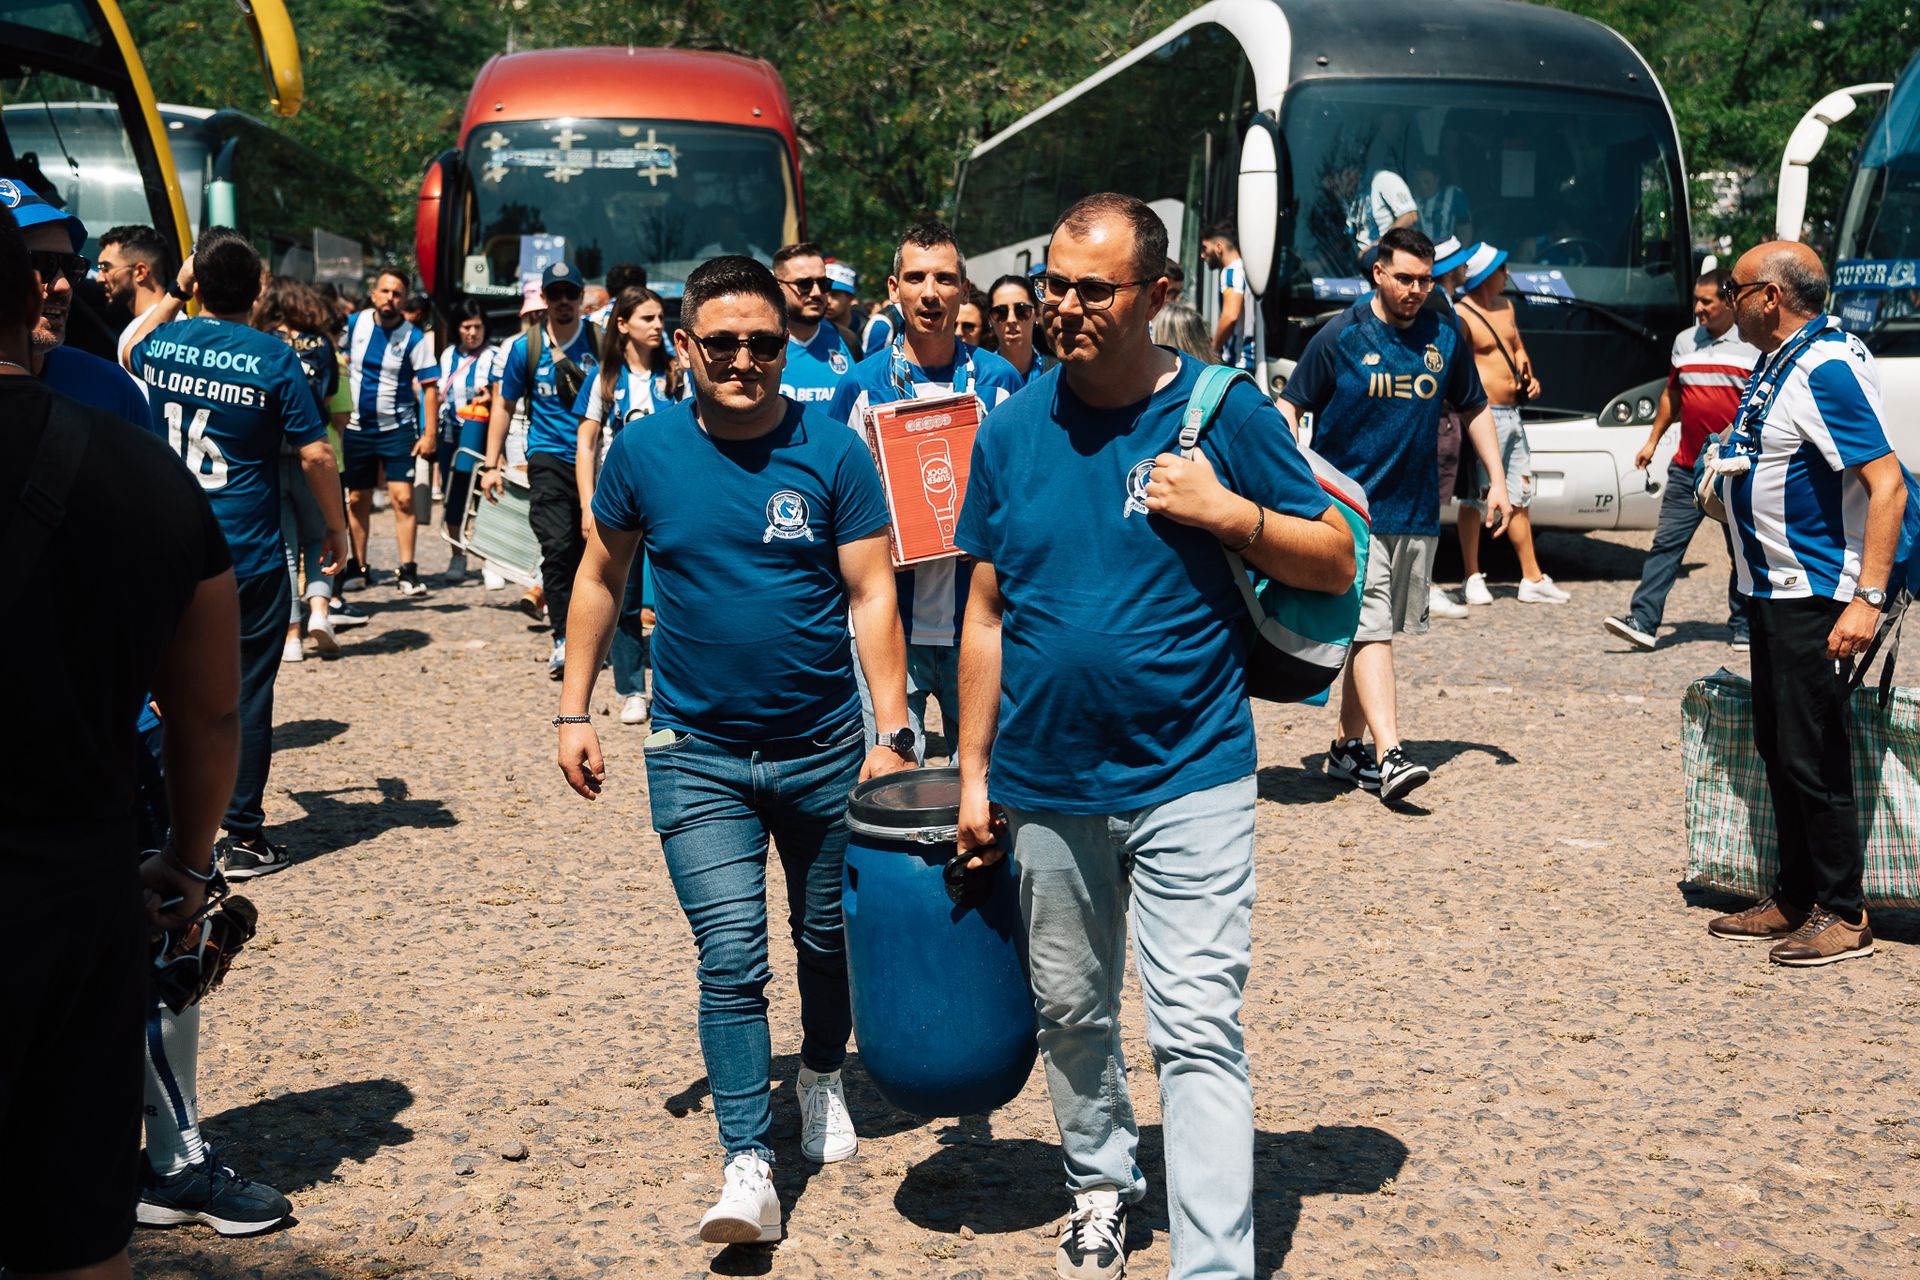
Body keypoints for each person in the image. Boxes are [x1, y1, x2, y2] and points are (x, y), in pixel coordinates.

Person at [952, 192, 1355, 1280]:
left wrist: (1232, 514)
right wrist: (974, 772)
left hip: (1193, 774)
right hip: (1045, 780)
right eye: (1057, 287)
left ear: (1160, 295)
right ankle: (1099, 1186)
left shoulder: (1226, 414)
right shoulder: (1011, 427)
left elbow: (1334, 561)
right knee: (1073, 1011)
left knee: (1197, 1027)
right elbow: (985, 610)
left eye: (1096, 289)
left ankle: (1214, 1265)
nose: (1067, 308)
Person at [555, 255, 915, 1246]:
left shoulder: (835, 451)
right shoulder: (644, 453)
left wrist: (891, 732)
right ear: (685, 348)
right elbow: (599, 576)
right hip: (696, 751)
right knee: (731, 956)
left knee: (824, 937)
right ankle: (746, 1160)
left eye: (764, 342)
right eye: (724, 342)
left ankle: (822, 1074)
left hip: (825, 749)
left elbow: (873, 593)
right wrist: (573, 706)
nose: (747, 358)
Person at [0, 201, 242, 1280]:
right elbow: (211, 710)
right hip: (76, 886)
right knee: (77, 1226)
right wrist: (189, 861)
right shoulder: (146, 473)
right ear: (30, 308)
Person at [1704, 243, 1908, 967]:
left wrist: (1867, 600)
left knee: (1812, 753)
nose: (1725, 300)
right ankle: (1794, 895)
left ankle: (1842, 911)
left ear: (1769, 297)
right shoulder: (1784, 356)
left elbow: (1887, 485)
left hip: (1813, 593)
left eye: (1734, 289)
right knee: (1779, 745)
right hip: (1770, 589)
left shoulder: (1822, 366)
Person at [127, 229, 349, 877]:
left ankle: (163, 822)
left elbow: (129, 345)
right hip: (244, 547)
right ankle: (244, 835)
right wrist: (334, 529)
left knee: (162, 684)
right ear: (258, 291)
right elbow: (314, 452)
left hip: (168, 539)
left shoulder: (160, 344)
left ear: (199, 284)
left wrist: (176, 289)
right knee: (245, 691)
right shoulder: (273, 358)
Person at [1278, 225, 1513, 802]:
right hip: (1351, 515)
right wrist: (1291, 482)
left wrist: (1498, 482)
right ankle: (1391, 755)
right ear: (1378, 274)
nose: (1415, 289)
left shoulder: (1444, 330)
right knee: (1373, 627)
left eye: (1425, 279)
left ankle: (1343, 749)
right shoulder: (1340, 336)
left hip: (1414, 513)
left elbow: (1475, 406)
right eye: (1404, 278)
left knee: (1373, 634)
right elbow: (1288, 408)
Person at [827, 220, 1023, 756]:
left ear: (963, 290)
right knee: (892, 785)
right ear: (894, 290)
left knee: (982, 786)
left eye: (943, 278)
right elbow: (833, 499)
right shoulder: (861, 385)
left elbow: (1021, 495)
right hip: (889, 625)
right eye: (915, 278)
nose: (929, 293)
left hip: (977, 625)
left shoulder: (1000, 381)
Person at [1604, 267, 1759, 649]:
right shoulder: (1684, 342)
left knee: (1741, 548)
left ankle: (1744, 624)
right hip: (1687, 466)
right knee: (1666, 545)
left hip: (1732, 469)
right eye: (1696, 300)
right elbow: (1672, 396)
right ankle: (1643, 619)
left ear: (1730, 302)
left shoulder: (1754, 346)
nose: (1699, 308)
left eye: (1707, 301)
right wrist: (1652, 442)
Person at [481, 260, 600, 680]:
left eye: (571, 293)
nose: (564, 302)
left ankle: (594, 635)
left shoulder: (600, 342)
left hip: (599, 460)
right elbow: (504, 405)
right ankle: (564, 639)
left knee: (595, 554)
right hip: (548, 458)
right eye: (556, 294)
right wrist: (491, 464)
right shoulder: (523, 349)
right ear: (544, 299)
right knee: (559, 548)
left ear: (581, 297)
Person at [572, 285, 682, 725]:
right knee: (623, 595)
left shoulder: (677, 373)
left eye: (661, 318)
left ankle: (673, 687)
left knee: (677, 594)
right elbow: (586, 444)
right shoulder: (604, 379)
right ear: (622, 325)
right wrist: (586, 503)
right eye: (648, 319)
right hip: (620, 503)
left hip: (672, 499)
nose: (659, 326)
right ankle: (632, 688)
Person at [1451, 242, 1568, 605]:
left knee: (1519, 495)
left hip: (1513, 415)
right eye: (1503, 270)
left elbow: (1516, 348)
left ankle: (1531, 577)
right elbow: (1459, 367)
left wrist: (1528, 377)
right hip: (1482, 417)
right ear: (1488, 275)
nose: (1508, 276)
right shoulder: (1462, 314)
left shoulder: (1507, 306)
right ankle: (1472, 575)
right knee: (1475, 498)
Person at [254, 275, 343, 661]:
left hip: (271, 451)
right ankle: (320, 612)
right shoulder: (321, 343)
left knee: (286, 547)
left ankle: (291, 635)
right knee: (319, 535)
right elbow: (329, 394)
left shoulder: (261, 342)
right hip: (312, 450)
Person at [340, 266, 440, 597]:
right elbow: (336, 362)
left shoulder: (413, 337)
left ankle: (408, 569)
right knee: (357, 498)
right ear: (374, 294)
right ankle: (359, 565)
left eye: (397, 293)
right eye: (385, 291)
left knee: (403, 498)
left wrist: (429, 434)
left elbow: (429, 387)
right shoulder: (354, 325)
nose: (390, 298)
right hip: (355, 427)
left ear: (404, 299)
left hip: (396, 428)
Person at [436, 299, 498, 584]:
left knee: (485, 498)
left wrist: (490, 398)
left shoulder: (495, 356)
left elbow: (503, 397)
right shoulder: (448, 355)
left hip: (482, 437)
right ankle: (457, 555)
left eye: (478, 326)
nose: (472, 332)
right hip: (450, 435)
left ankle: (491, 561)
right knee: (454, 495)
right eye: (466, 327)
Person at [773, 241, 853, 404]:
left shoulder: (848, 341)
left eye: (823, 283)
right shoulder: (760, 346)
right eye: (804, 285)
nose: (817, 293)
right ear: (777, 287)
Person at [96, 223, 173, 365]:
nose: (99, 278)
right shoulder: (172, 325)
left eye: (106, 268)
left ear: (140, 272)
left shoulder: (155, 332)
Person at [1200, 221, 1254, 369]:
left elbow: (1230, 315)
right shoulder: (1249, 270)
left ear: (1219, 247)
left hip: (1239, 361)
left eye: (1205, 248)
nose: (1202, 255)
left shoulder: (1231, 272)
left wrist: (1212, 350)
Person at [986, 273, 1050, 383]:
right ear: (990, 320)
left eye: (1021, 310)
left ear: (1037, 313)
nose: (1011, 320)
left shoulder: (1057, 372)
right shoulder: (978, 376)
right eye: (1001, 312)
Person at [825, 260, 862, 351]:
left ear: (850, 297)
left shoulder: (865, 331)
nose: (827, 300)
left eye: (835, 295)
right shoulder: (810, 330)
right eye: (824, 292)